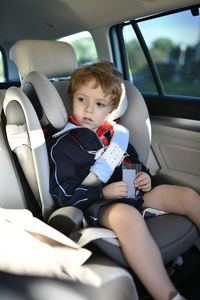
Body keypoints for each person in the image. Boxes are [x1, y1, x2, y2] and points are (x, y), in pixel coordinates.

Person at [48, 61, 200, 300]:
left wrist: (144, 178)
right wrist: (103, 193)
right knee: (127, 217)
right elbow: (63, 196)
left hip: (133, 195)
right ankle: (168, 295)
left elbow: (136, 164)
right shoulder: (63, 145)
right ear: (71, 99)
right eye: (82, 100)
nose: (88, 109)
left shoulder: (116, 136)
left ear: (110, 110)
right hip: (97, 205)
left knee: (187, 195)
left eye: (99, 104)